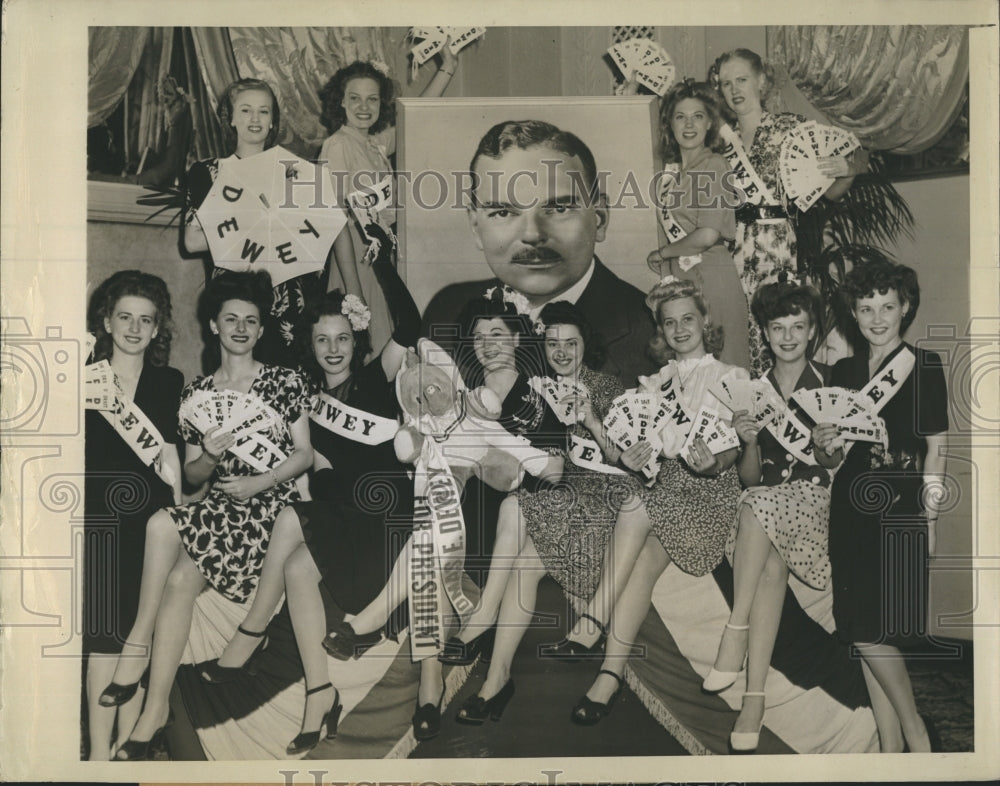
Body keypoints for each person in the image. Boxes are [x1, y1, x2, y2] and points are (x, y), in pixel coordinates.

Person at [198, 226, 423, 755]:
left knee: (296, 518)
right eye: (322, 339)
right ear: (310, 345)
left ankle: (249, 634)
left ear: (357, 340)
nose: (333, 349)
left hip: (383, 519)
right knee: (298, 566)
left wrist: (383, 260)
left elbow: (411, 325)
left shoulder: (376, 378)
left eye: (343, 338)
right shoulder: (306, 401)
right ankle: (319, 696)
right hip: (337, 519)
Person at [101, 271, 313, 761]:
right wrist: (213, 455)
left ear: (261, 331)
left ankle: (137, 655)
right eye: (231, 319)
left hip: (269, 510)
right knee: (175, 569)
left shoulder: (284, 381)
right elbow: (195, 477)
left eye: (251, 321)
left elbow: (303, 455)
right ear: (214, 326)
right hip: (219, 509)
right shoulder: (196, 393)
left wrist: (259, 482)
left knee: (160, 527)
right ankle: (153, 709)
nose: (240, 327)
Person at [541, 279, 747, 727]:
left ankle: (593, 621)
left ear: (705, 322)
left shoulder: (732, 377)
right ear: (660, 330)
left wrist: (711, 462)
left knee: (634, 506)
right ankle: (609, 679)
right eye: (669, 322)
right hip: (666, 486)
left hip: (708, 492)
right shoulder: (655, 383)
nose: (679, 329)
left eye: (688, 319)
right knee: (641, 566)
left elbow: (731, 454)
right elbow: (634, 448)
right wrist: (632, 452)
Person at [454, 300, 642, 723]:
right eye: (552, 343)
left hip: (605, 503)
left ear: (584, 344)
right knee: (519, 542)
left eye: (570, 343)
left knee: (516, 507)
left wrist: (592, 420)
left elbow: (632, 463)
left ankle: (483, 621)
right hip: (557, 503)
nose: (561, 352)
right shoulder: (536, 390)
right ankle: (496, 679)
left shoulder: (609, 388)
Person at [813, 260, 947, 753]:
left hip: (901, 511)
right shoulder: (843, 372)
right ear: (853, 311)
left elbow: (937, 449)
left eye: (886, 306)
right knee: (860, 630)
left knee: (873, 631)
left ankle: (914, 732)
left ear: (905, 307)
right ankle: (890, 750)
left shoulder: (924, 365)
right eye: (866, 308)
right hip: (849, 511)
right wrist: (823, 440)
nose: (876, 318)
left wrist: (931, 520)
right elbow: (830, 458)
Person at [421, 119, 658, 388]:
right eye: (503, 212)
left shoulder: (653, 330)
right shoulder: (446, 312)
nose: (533, 234)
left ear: (600, 219)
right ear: (476, 227)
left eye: (558, 209)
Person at [705, 278, 834, 752]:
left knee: (758, 510)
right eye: (777, 327)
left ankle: (734, 631)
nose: (787, 337)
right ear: (764, 332)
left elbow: (834, 467)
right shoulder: (753, 390)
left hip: (813, 504)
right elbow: (752, 480)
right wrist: (751, 440)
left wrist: (827, 446)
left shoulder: (831, 382)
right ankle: (752, 701)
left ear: (812, 329)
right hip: (766, 512)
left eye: (797, 326)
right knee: (768, 564)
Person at [711, 48, 865, 378]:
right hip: (729, 248)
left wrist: (846, 170)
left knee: (777, 335)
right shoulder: (718, 142)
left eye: (742, 80)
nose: (735, 90)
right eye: (726, 83)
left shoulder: (791, 130)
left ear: (762, 82)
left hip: (776, 247)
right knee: (735, 340)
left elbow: (835, 191)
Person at [182, 78, 356, 366]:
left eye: (264, 111)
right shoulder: (209, 172)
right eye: (246, 110)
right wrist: (259, 219)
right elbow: (192, 241)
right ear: (231, 118)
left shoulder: (295, 172)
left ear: (273, 121)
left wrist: (354, 294)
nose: (255, 119)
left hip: (293, 305)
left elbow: (334, 227)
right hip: (236, 303)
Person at [83, 271, 183, 760]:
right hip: (99, 521)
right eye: (125, 317)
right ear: (106, 320)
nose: (134, 328)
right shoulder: (83, 378)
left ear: (157, 327)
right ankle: (98, 755)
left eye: (146, 320)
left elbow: (173, 460)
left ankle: (126, 750)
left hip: (150, 525)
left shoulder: (170, 382)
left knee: (137, 636)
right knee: (104, 638)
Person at [318, 49, 461, 357]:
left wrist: (447, 67)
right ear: (340, 101)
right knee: (367, 356)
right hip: (354, 265)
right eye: (354, 98)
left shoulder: (374, 144)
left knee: (389, 354)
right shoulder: (337, 146)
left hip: (382, 261)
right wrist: (354, 293)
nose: (364, 106)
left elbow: (416, 113)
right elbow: (335, 223)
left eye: (372, 99)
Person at [645, 79, 748, 371]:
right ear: (670, 125)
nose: (689, 125)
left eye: (698, 116)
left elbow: (707, 234)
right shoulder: (674, 174)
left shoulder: (714, 164)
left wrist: (663, 253)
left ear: (709, 125)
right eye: (680, 116)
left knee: (725, 368)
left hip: (712, 274)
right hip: (684, 274)